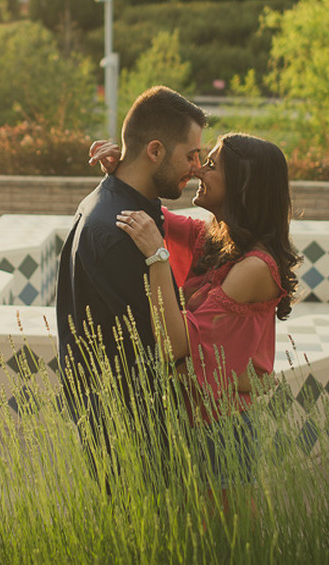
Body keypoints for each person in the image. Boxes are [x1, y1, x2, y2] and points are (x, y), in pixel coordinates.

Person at [110, 132, 301, 491]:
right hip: (187, 423)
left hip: (219, 434)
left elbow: (174, 345)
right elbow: (153, 215)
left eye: (211, 164)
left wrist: (157, 258)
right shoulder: (215, 238)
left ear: (243, 186)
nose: (198, 170)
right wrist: (121, 168)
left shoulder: (255, 268)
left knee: (219, 543)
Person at [55, 85, 206, 478]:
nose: (196, 167)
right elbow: (167, 344)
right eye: (190, 155)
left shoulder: (125, 205)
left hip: (128, 426)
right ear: (155, 151)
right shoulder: (120, 231)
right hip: (132, 438)